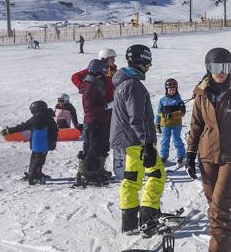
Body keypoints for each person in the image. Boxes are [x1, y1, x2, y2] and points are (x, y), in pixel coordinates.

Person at [186, 48, 231, 252]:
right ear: (208, 68)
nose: (220, 72)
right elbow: (196, 125)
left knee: (220, 209)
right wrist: (190, 152)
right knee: (214, 210)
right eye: (216, 68)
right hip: (207, 157)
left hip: (230, 157)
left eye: (225, 67)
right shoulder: (201, 93)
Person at [110, 44, 164, 236]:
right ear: (142, 62)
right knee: (156, 174)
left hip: (125, 141)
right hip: (136, 141)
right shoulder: (133, 85)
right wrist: (147, 144)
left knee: (131, 179)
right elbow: (136, 118)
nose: (148, 67)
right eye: (148, 64)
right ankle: (148, 219)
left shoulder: (123, 83)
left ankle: (130, 222)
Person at [1, 101, 58, 185]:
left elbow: (22, 127)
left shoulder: (34, 119)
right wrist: (53, 142)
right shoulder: (49, 119)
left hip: (36, 144)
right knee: (40, 160)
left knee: (34, 159)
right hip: (45, 144)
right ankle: (33, 177)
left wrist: (9, 130)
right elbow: (54, 131)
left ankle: (34, 174)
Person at [77, 59, 111, 184]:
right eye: (103, 71)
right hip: (94, 120)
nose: (105, 73)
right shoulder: (90, 84)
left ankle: (97, 170)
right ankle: (90, 174)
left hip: (99, 119)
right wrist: (106, 106)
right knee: (93, 147)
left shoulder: (96, 82)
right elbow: (89, 105)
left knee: (99, 146)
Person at [155, 78, 186, 166]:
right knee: (165, 140)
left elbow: (182, 112)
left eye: (173, 89)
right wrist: (157, 122)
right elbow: (159, 112)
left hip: (176, 124)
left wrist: (172, 114)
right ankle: (164, 157)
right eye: (170, 89)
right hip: (165, 124)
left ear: (176, 89)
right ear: (166, 90)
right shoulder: (162, 100)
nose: (171, 91)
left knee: (176, 139)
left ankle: (181, 156)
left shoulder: (178, 100)